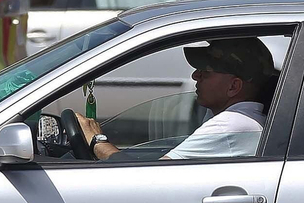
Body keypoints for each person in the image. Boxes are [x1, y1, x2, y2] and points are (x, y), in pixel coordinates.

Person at [75, 38, 275, 161]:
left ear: (234, 86)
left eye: (206, 72)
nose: (195, 76)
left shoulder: (230, 126)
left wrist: (96, 141)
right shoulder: (242, 120)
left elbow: (147, 178)